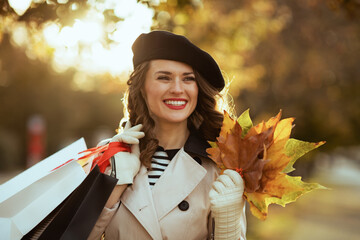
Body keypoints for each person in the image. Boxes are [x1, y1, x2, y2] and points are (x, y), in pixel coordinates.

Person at [88, 31, 246, 240]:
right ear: (142, 87)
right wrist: (112, 185)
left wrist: (229, 224)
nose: (178, 89)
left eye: (188, 79)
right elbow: (72, 235)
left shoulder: (218, 164)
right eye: (164, 78)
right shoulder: (109, 156)